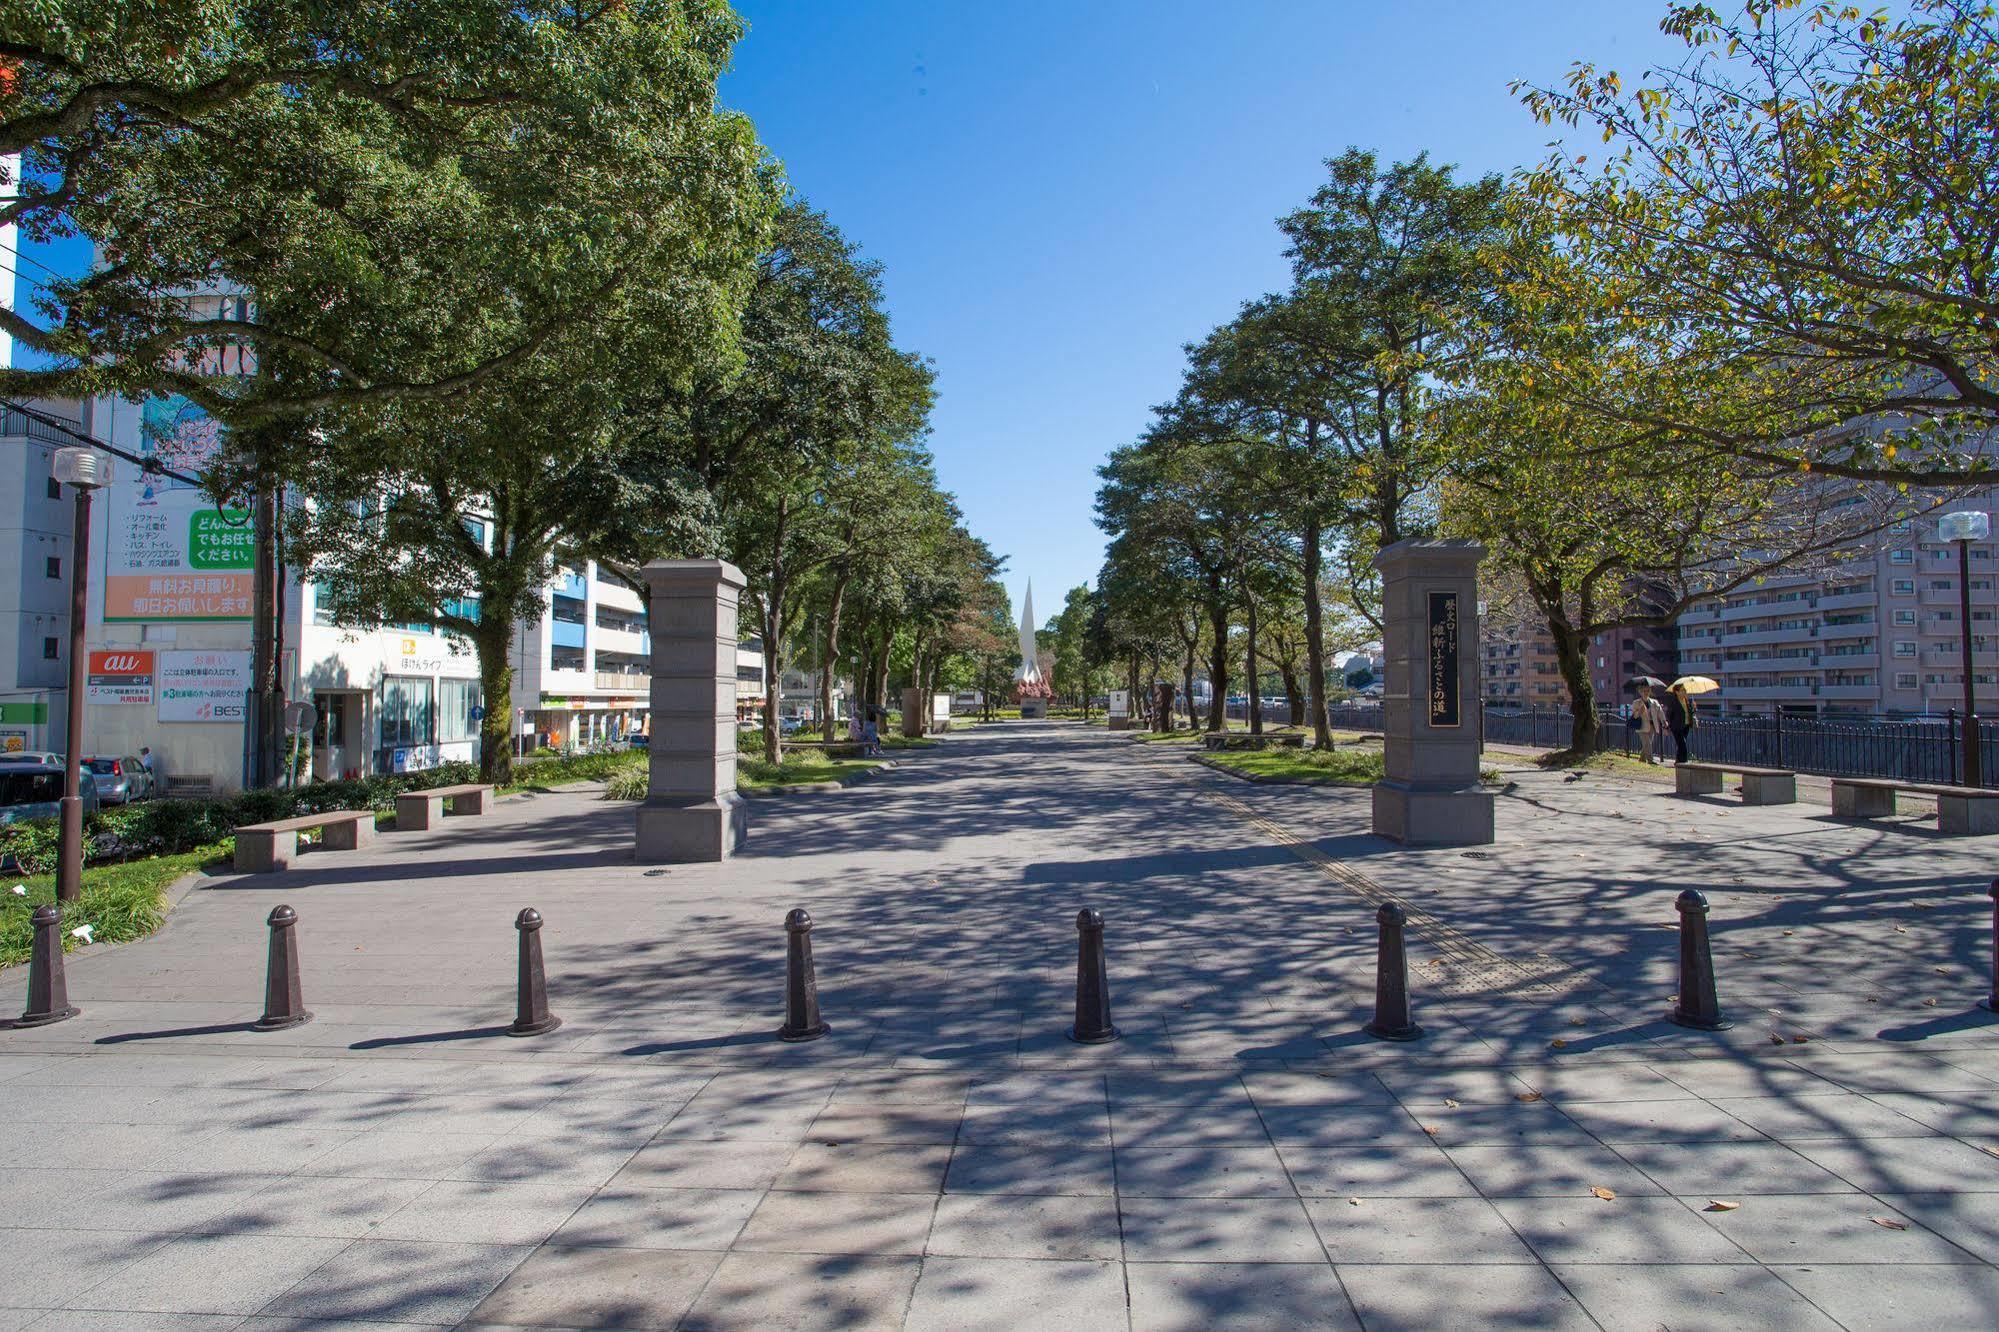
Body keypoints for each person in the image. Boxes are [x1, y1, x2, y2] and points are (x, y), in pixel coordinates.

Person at [1663, 683, 1696, 764]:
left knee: (1681, 744)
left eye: (1685, 690)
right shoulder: (1674, 702)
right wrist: (1667, 727)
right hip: (1676, 726)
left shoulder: (1687, 700)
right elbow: (1669, 714)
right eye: (1682, 690)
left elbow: (1689, 713)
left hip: (1686, 725)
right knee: (1682, 744)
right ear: (1677, 692)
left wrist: (1694, 708)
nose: (1685, 692)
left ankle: (1678, 761)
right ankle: (1684, 762)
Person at [1633, 686, 1668, 765]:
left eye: (1647, 691)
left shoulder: (1654, 702)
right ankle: (1650, 760)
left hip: (1652, 726)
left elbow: (1660, 712)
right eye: (1644, 691)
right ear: (1640, 692)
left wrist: (1664, 722)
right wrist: (1639, 712)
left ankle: (1642, 759)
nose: (1646, 693)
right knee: (1647, 743)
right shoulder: (1636, 702)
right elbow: (1634, 716)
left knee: (1647, 744)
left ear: (1650, 692)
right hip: (1642, 726)